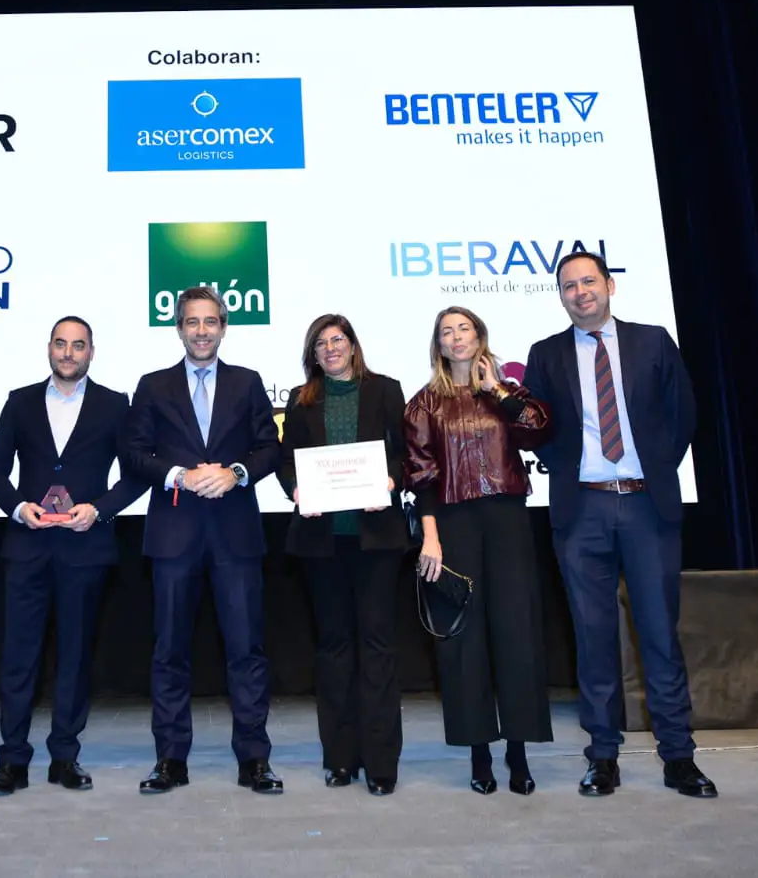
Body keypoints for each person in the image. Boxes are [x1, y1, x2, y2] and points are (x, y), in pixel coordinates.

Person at [522, 252, 715, 798]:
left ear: (609, 286)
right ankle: (602, 756)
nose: (580, 292)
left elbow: (684, 414)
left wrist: (651, 468)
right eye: (569, 287)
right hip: (580, 512)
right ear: (560, 296)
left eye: (589, 282)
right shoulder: (546, 355)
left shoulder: (652, 341)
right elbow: (535, 431)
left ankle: (679, 757)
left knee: (659, 637)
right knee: (593, 638)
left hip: (647, 508)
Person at [122, 286, 284, 795]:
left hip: (236, 537)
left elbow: (269, 448)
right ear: (179, 327)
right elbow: (133, 453)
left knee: (247, 651)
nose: (201, 331)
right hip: (173, 537)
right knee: (169, 651)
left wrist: (236, 472)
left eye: (210, 321)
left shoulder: (248, 382)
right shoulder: (152, 386)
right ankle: (170, 759)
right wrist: (177, 475)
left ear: (223, 327)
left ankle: (254, 759)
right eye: (192, 322)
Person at [0, 316, 148, 797]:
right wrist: (17, 507)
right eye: (60, 344)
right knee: (18, 659)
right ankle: (11, 761)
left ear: (92, 352)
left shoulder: (115, 405)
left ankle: (64, 757)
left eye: (78, 345)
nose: (68, 353)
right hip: (27, 547)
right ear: (48, 349)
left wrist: (99, 510)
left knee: (74, 658)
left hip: (85, 549)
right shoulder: (20, 401)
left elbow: (135, 475)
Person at [404, 306, 554, 796]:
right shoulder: (424, 403)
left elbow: (538, 429)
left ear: (479, 336)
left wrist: (498, 392)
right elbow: (420, 474)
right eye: (446, 332)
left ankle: (518, 750)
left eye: (463, 328)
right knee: (463, 640)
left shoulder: (508, 390)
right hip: (452, 523)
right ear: (439, 346)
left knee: (516, 631)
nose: (456, 337)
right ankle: (479, 752)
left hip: (507, 518)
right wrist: (430, 536)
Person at [277, 314, 408, 796]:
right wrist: (296, 488)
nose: (330, 349)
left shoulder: (386, 390)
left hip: (376, 538)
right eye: (321, 344)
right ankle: (339, 758)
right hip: (321, 540)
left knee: (377, 648)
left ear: (353, 346)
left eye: (338, 340)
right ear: (312, 354)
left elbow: (407, 452)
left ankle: (380, 764)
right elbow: (287, 457)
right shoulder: (300, 398)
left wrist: (391, 480)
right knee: (333, 650)